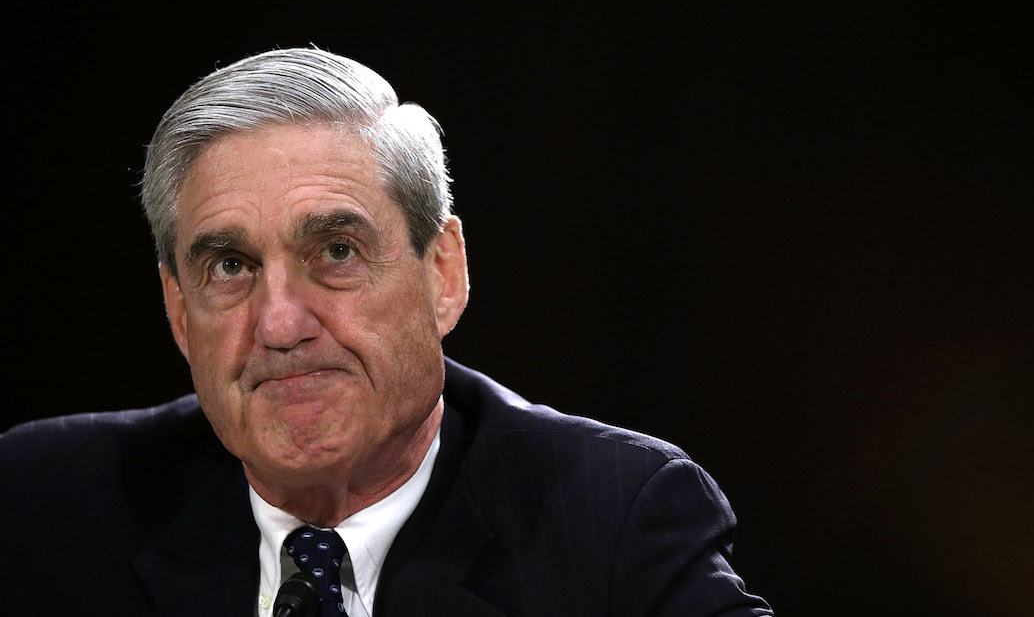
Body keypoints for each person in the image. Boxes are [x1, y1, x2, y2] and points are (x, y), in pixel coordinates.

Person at [0, 48, 772, 616]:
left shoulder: (611, 521)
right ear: (176, 309)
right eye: (230, 266)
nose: (279, 324)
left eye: (336, 252)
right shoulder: (41, 502)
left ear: (442, 273)